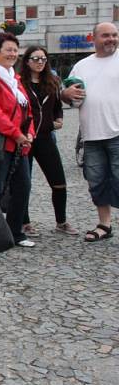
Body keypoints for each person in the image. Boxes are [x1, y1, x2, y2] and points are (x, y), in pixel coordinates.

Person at [0, 32, 36, 248]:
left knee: (23, 186)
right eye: (8, 49)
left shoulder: (14, 79)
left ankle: (14, 232)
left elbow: (26, 109)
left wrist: (29, 132)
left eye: (15, 50)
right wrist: (16, 133)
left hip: (18, 143)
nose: (13, 54)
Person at [61, 22, 119, 242]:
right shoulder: (82, 66)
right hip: (92, 135)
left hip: (117, 133)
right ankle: (105, 225)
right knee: (97, 181)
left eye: (114, 35)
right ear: (93, 38)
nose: (111, 39)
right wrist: (65, 94)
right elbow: (71, 97)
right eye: (106, 35)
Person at [18, 45, 76, 237]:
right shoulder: (20, 84)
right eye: (35, 59)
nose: (40, 62)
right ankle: (24, 222)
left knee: (58, 180)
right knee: (23, 182)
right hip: (25, 138)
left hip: (45, 137)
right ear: (27, 61)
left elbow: (57, 105)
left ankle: (61, 221)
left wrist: (58, 120)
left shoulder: (52, 82)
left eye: (43, 59)